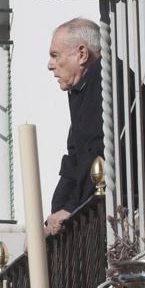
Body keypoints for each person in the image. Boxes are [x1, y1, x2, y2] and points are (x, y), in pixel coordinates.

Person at [44, 18, 104, 236]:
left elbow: (96, 153)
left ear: (82, 54)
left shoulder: (104, 83)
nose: (50, 65)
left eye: (55, 55)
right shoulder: (81, 89)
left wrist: (70, 209)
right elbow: (74, 160)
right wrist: (54, 215)